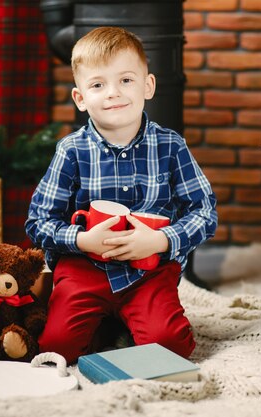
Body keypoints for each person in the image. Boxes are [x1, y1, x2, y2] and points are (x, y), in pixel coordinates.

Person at [25, 27, 217, 363]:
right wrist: (82, 240)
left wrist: (162, 241)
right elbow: (38, 221)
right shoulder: (71, 151)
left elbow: (204, 212)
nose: (113, 93)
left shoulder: (170, 146)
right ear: (80, 99)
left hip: (149, 271)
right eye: (98, 84)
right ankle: (108, 324)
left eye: (126, 80)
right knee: (56, 349)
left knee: (172, 349)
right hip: (84, 269)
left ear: (148, 86)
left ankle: (128, 320)